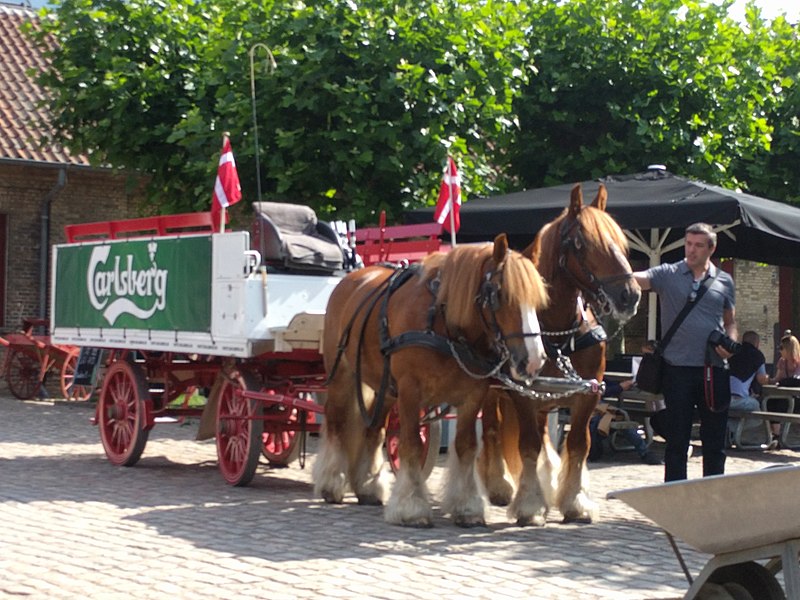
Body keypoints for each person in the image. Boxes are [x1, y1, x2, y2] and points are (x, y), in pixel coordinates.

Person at [633, 222, 737, 482]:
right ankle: (675, 497)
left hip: (713, 370)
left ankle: (713, 494)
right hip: (676, 370)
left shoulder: (724, 280)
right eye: (688, 244)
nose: (691, 250)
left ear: (711, 249)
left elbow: (731, 320)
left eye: (698, 245)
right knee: (677, 440)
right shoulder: (669, 273)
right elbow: (637, 279)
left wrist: (730, 344)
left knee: (714, 440)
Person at [588, 379, 663, 465]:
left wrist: (620, 385)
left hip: (598, 409)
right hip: (589, 410)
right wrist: (619, 387)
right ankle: (645, 453)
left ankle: (645, 452)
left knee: (621, 417)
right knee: (620, 416)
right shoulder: (581, 373)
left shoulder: (592, 373)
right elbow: (595, 390)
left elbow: (603, 384)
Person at [727, 330, 769, 442]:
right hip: (738, 399)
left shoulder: (732, 352)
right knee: (757, 414)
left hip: (721, 397)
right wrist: (771, 379)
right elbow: (762, 379)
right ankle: (731, 429)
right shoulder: (757, 355)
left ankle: (728, 431)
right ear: (757, 343)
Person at [766, 331, 800, 448]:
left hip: (797, 398)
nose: (779, 350)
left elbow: (796, 381)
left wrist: (782, 383)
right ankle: (776, 436)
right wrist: (768, 380)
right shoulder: (782, 362)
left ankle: (778, 437)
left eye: (781, 348)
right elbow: (777, 379)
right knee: (771, 402)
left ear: (788, 348)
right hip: (786, 396)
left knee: (780, 403)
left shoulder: (799, 362)